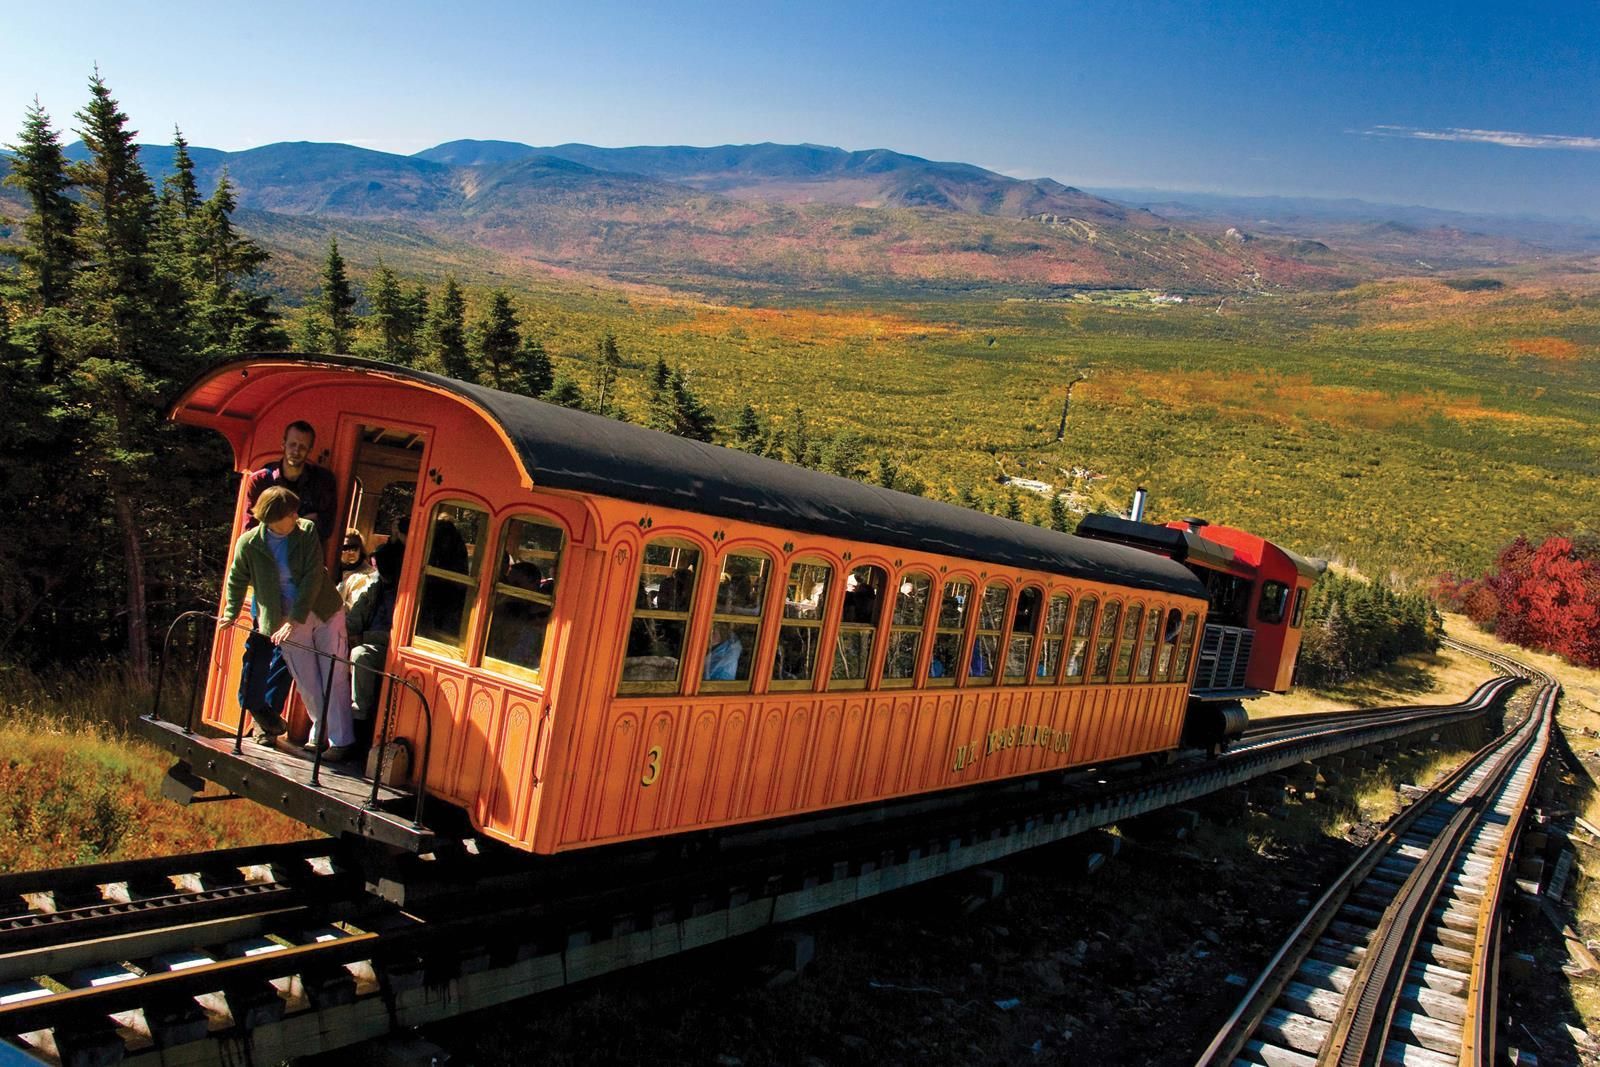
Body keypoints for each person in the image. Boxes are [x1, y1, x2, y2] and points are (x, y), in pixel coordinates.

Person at [223, 486, 356, 761]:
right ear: (272, 516)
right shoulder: (249, 543)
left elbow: (312, 577)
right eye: (290, 512)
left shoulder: (306, 531)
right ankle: (319, 735)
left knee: (334, 673)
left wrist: (294, 620)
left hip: (323, 611)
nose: (296, 515)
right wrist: (231, 611)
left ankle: (341, 741)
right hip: (283, 620)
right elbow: (236, 578)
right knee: (307, 681)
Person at [236, 421, 340, 738]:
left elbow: (325, 528)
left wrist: (297, 528)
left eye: (303, 447)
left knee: (287, 650)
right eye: (292, 444)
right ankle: (256, 707)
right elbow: (250, 528)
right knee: (259, 645)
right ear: (283, 443)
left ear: (310, 449)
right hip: (267, 580)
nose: (297, 451)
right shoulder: (262, 479)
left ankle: (267, 719)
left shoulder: (322, 482)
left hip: (301, 583)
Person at [347, 540, 404, 754]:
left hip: (389, 650)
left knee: (361, 656)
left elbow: (399, 636)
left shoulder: (408, 591)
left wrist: (364, 637)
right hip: (368, 641)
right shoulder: (376, 586)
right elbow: (356, 615)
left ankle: (358, 725)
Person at [337, 529, 376, 608]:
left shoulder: (367, 576)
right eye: (345, 548)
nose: (351, 552)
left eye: (354, 548)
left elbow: (354, 608)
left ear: (360, 549)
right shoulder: (334, 569)